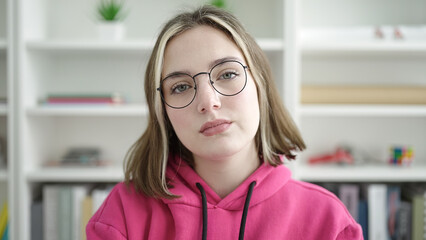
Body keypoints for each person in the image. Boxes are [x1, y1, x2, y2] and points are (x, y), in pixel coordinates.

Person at [86, 5, 363, 240]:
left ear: (259, 84)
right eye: (180, 87)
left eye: (227, 74)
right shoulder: (121, 212)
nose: (208, 102)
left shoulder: (328, 220)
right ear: (163, 112)